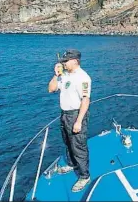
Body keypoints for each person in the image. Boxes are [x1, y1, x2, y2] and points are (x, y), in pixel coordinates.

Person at [48, 49, 91, 192]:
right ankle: (72, 164)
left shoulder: (83, 78)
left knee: (78, 145)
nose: (64, 64)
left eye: (66, 61)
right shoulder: (64, 75)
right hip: (65, 114)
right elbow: (51, 89)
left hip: (76, 114)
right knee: (68, 142)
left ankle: (84, 176)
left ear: (75, 61)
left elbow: (85, 100)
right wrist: (56, 75)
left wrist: (79, 121)